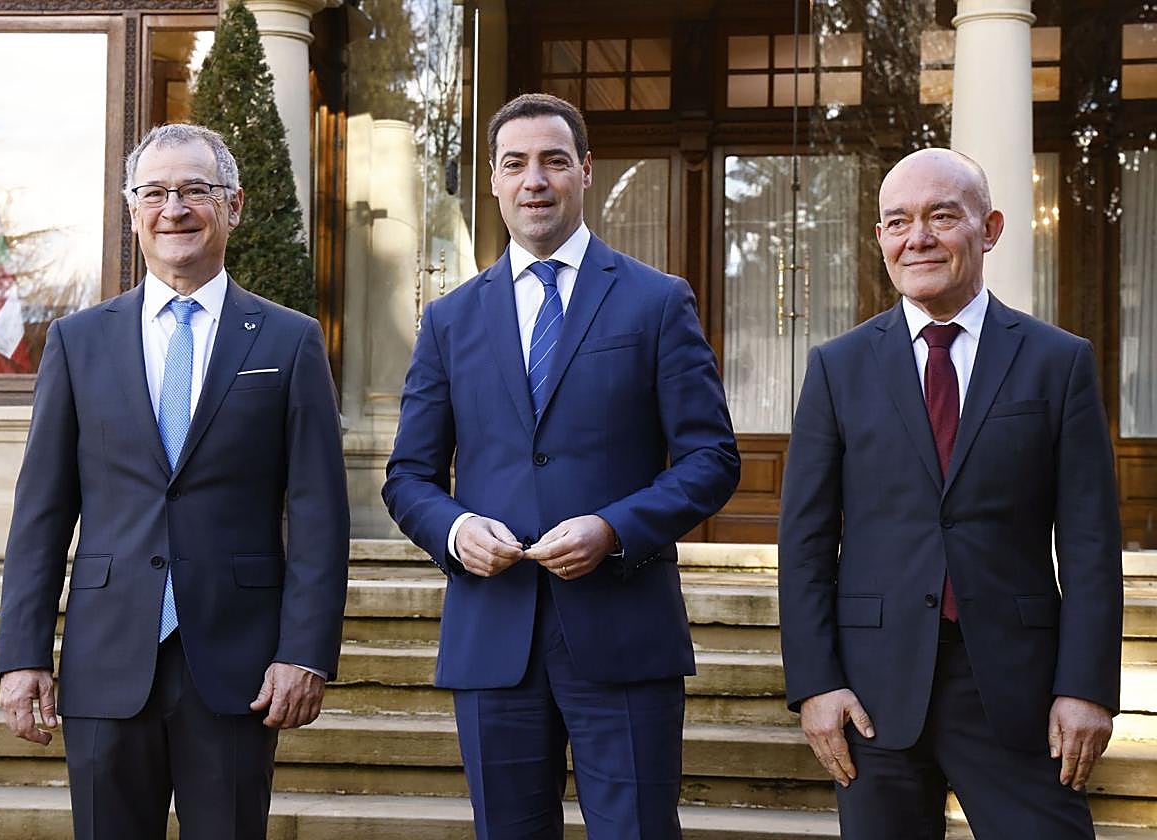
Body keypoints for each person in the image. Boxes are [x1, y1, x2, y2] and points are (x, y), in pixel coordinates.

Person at [383, 93, 740, 839]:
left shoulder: (656, 301)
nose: (535, 180)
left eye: (553, 161)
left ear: (585, 170)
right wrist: (456, 531)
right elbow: (408, 477)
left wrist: (613, 529)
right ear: (493, 180)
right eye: (515, 164)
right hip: (493, 636)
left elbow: (711, 459)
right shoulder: (448, 320)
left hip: (624, 631)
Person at [0, 123, 350, 839]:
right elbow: (42, 511)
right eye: (154, 193)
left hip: (239, 665)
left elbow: (319, 514)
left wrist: (304, 652)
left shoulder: (289, 340)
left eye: (195, 190)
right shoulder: (77, 341)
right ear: (133, 212)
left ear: (233, 205)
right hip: (105, 657)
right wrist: (23, 654)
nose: (174, 208)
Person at [778, 147, 1123, 839]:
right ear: (880, 238)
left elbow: (1090, 543)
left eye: (941, 216)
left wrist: (1086, 687)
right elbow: (806, 542)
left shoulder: (1059, 362)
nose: (918, 238)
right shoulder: (837, 368)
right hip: (873, 693)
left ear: (989, 229)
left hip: (1017, 688)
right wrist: (815, 684)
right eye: (898, 221)